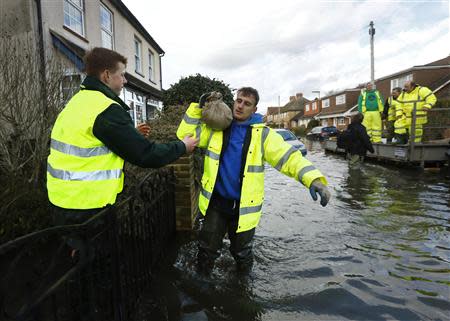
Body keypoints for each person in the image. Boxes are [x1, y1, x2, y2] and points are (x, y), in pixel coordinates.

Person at [47, 47, 198, 252]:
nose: (125, 81)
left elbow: (89, 142)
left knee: (75, 262)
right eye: (122, 75)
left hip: (61, 201)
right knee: (99, 268)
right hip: (88, 208)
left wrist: (129, 135)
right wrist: (183, 146)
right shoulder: (106, 108)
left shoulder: (76, 103)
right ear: (107, 75)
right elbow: (146, 154)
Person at [177, 87, 330, 275]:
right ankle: (203, 286)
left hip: (244, 209)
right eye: (238, 101)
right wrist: (196, 108)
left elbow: (289, 158)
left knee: (242, 254)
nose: (240, 106)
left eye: (247, 103)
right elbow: (185, 136)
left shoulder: (263, 135)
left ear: (254, 109)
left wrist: (314, 179)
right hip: (216, 204)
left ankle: (242, 290)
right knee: (206, 251)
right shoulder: (217, 129)